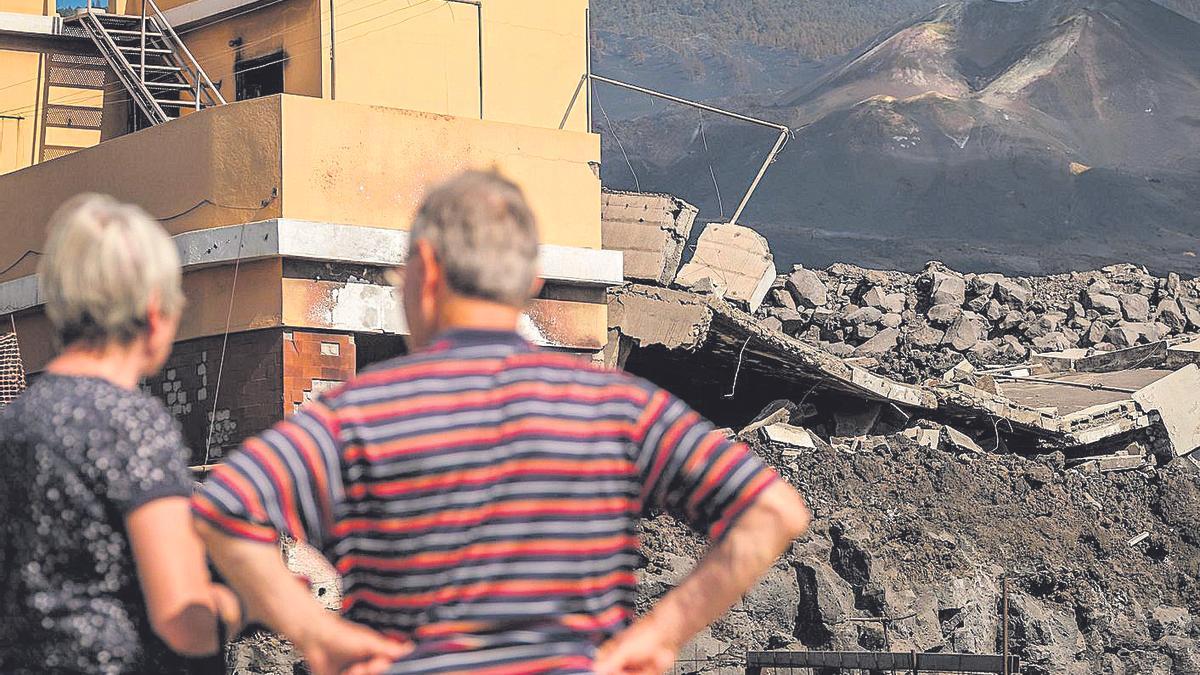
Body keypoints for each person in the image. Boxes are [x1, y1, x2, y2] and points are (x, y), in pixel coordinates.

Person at [192, 170, 812, 675]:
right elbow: (772, 513)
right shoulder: (618, 407)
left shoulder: (357, 415)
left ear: (424, 275)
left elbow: (220, 511)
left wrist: (313, 634)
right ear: (530, 284)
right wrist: (659, 635)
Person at [0, 195, 242, 673]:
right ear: (154, 312)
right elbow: (183, 621)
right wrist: (244, 606)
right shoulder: (130, 425)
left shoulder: (15, 423)